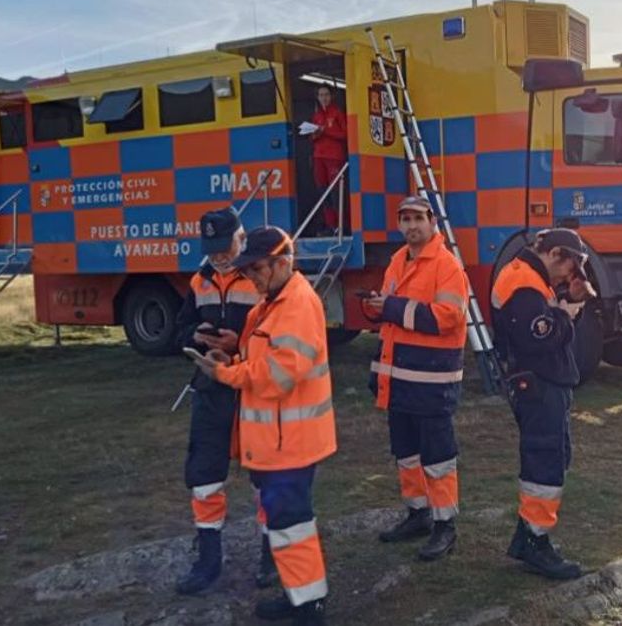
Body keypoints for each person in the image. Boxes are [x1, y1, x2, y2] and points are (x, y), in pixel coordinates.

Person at [193, 226, 336, 626]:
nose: (251, 277)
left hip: (290, 443)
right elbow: (264, 353)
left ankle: (310, 606)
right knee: (286, 525)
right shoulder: (273, 301)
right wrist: (233, 349)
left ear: (282, 263)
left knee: (292, 525)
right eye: (249, 269)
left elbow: (278, 374)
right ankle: (301, 597)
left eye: (256, 268)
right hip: (279, 442)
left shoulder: (296, 305)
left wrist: (227, 374)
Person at [362, 196, 470, 561]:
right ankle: (418, 514)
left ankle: (445, 526)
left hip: (433, 381)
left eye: (417, 219)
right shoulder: (397, 260)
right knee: (406, 454)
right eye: (405, 219)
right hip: (399, 379)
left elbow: (447, 318)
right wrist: (375, 308)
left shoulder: (446, 265)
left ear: (432, 221)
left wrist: (389, 308)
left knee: (438, 457)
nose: (411, 226)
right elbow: (391, 315)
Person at [174, 209, 276, 595]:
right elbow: (180, 329)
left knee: (265, 476)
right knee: (204, 475)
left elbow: (279, 335)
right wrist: (196, 336)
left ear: (241, 237)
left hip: (253, 388)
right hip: (212, 387)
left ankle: (271, 555)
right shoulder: (199, 281)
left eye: (225, 248)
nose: (218, 257)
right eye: (212, 250)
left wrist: (241, 345)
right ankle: (208, 560)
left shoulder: (262, 278)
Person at [490, 228, 596, 580]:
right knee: (544, 463)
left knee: (550, 457)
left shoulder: (530, 278)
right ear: (555, 255)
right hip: (538, 385)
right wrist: (567, 313)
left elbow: (544, 326)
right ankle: (535, 541)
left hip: (540, 384)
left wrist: (566, 308)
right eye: (571, 267)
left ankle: (528, 536)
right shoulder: (523, 283)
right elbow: (541, 335)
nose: (570, 275)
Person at [308, 85, 347, 234]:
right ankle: (331, 226)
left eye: (326, 94)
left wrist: (326, 131)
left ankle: (342, 225)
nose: (324, 98)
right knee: (323, 191)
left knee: (336, 192)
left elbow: (345, 134)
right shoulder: (316, 116)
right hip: (319, 157)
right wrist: (316, 133)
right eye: (321, 95)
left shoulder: (337, 113)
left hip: (334, 157)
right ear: (317, 97)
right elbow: (311, 137)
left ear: (331, 96)